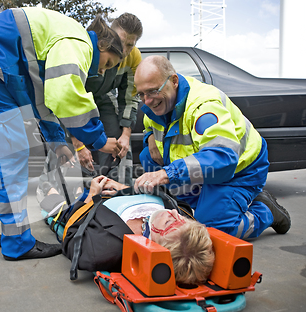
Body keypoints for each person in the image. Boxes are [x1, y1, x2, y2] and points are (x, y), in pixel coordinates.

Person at [0, 7, 124, 261]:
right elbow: (66, 95)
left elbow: (43, 99)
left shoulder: (60, 35)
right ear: (102, 44)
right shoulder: (79, 42)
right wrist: (100, 141)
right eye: (108, 63)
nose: (101, 72)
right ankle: (18, 243)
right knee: (14, 155)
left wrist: (59, 141)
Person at [132, 55, 291, 239]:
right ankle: (205, 205)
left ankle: (264, 211)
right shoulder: (161, 102)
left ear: (174, 81)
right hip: (206, 169)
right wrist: (149, 136)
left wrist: (167, 174)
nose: (147, 101)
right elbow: (148, 121)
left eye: (152, 92)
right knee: (148, 157)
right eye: (141, 94)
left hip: (238, 170)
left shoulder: (204, 106)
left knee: (210, 232)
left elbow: (222, 157)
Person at [36, 13, 143, 204]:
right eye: (121, 42)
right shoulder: (84, 49)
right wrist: (79, 144)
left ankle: (117, 192)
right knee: (64, 142)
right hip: (73, 95)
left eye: (130, 45)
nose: (125, 50)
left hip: (102, 98)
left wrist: (126, 134)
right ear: (108, 37)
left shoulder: (133, 58)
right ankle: (57, 195)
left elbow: (129, 97)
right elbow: (67, 100)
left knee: (116, 141)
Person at [42, 176, 215, 285]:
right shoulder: (185, 228)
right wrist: (125, 188)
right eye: (183, 219)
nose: (175, 213)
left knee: (53, 194)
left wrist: (91, 196)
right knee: (79, 183)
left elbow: (71, 235)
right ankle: (77, 188)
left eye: (169, 221)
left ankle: (52, 190)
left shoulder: (105, 249)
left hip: (86, 206)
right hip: (117, 191)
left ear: (156, 246)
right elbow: (177, 203)